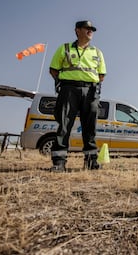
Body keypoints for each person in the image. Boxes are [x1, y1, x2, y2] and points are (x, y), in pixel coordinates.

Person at [49, 20, 107, 172]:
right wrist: (64, 82)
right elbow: (53, 69)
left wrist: (89, 84)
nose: (90, 31)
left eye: (92, 29)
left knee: (90, 127)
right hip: (69, 89)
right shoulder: (65, 48)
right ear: (77, 30)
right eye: (87, 28)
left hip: (91, 91)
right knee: (64, 124)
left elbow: (101, 75)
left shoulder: (97, 52)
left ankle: (91, 161)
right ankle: (59, 162)